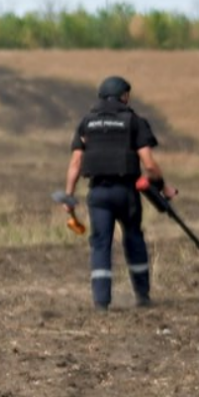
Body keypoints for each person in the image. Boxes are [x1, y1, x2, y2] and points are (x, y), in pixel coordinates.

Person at [62, 75, 177, 311]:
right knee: (133, 237)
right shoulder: (133, 121)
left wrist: (68, 196)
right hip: (126, 193)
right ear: (124, 96)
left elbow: (75, 164)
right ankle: (142, 296)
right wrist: (163, 187)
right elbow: (150, 165)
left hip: (99, 195)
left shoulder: (86, 123)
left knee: (101, 244)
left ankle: (101, 302)